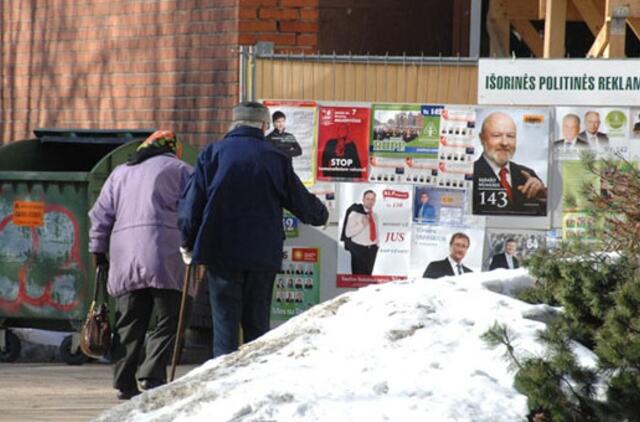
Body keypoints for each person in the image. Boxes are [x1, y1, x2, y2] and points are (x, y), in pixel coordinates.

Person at [178, 102, 328, 358]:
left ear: (234, 124)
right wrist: (320, 214)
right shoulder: (276, 158)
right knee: (257, 329)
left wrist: (187, 242)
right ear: (262, 125)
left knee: (225, 329)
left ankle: (224, 386)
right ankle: (252, 386)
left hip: (220, 253)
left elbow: (191, 206)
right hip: (261, 256)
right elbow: (299, 200)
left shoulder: (211, 154)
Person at [88, 130, 193, 400]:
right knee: (169, 319)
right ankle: (151, 373)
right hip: (166, 255)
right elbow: (193, 211)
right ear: (172, 149)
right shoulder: (182, 170)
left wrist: (97, 249)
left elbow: (101, 215)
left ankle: (123, 381)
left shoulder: (120, 172)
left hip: (125, 255)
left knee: (130, 322)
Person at [472, 111, 547, 216]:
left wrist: (544, 197)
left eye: (510, 136)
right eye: (496, 135)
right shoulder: (469, 175)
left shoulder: (527, 175)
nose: (504, 143)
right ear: (482, 138)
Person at [340, 190, 380, 275]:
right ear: (363, 199)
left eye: (372, 199)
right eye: (368, 199)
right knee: (357, 279)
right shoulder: (355, 213)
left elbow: (376, 231)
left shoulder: (374, 215)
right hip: (358, 250)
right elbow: (348, 233)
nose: (370, 201)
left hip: (371, 251)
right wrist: (362, 224)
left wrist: (377, 244)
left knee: (368, 279)